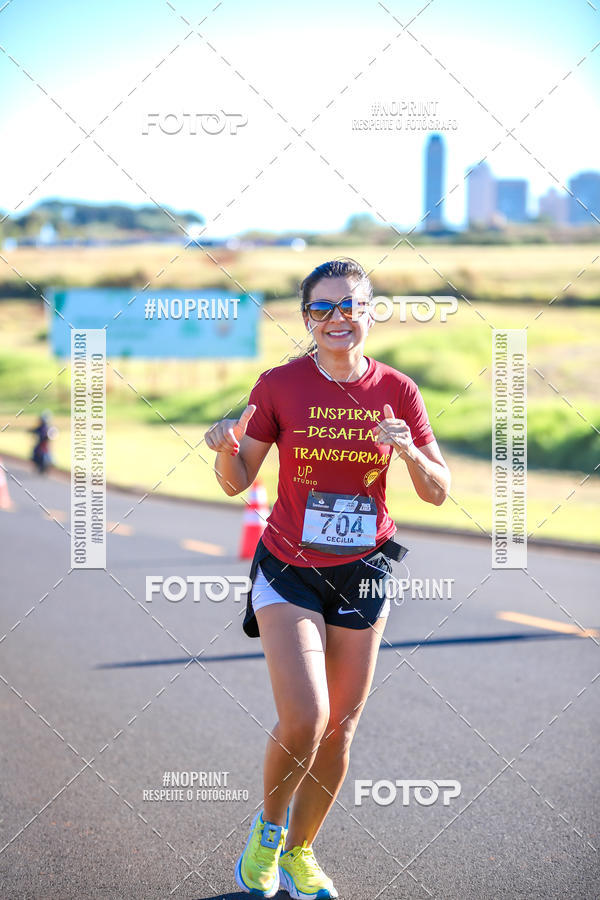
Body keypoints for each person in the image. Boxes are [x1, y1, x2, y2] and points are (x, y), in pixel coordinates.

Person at [204, 258, 450, 899]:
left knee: (341, 726)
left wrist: (409, 451)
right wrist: (225, 450)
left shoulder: (399, 390)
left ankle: (301, 852)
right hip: (290, 567)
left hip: (364, 570)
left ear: (370, 312)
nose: (338, 317)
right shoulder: (280, 385)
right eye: (323, 307)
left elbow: (438, 492)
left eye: (350, 305)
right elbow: (236, 481)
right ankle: (269, 831)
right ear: (307, 317)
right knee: (307, 716)